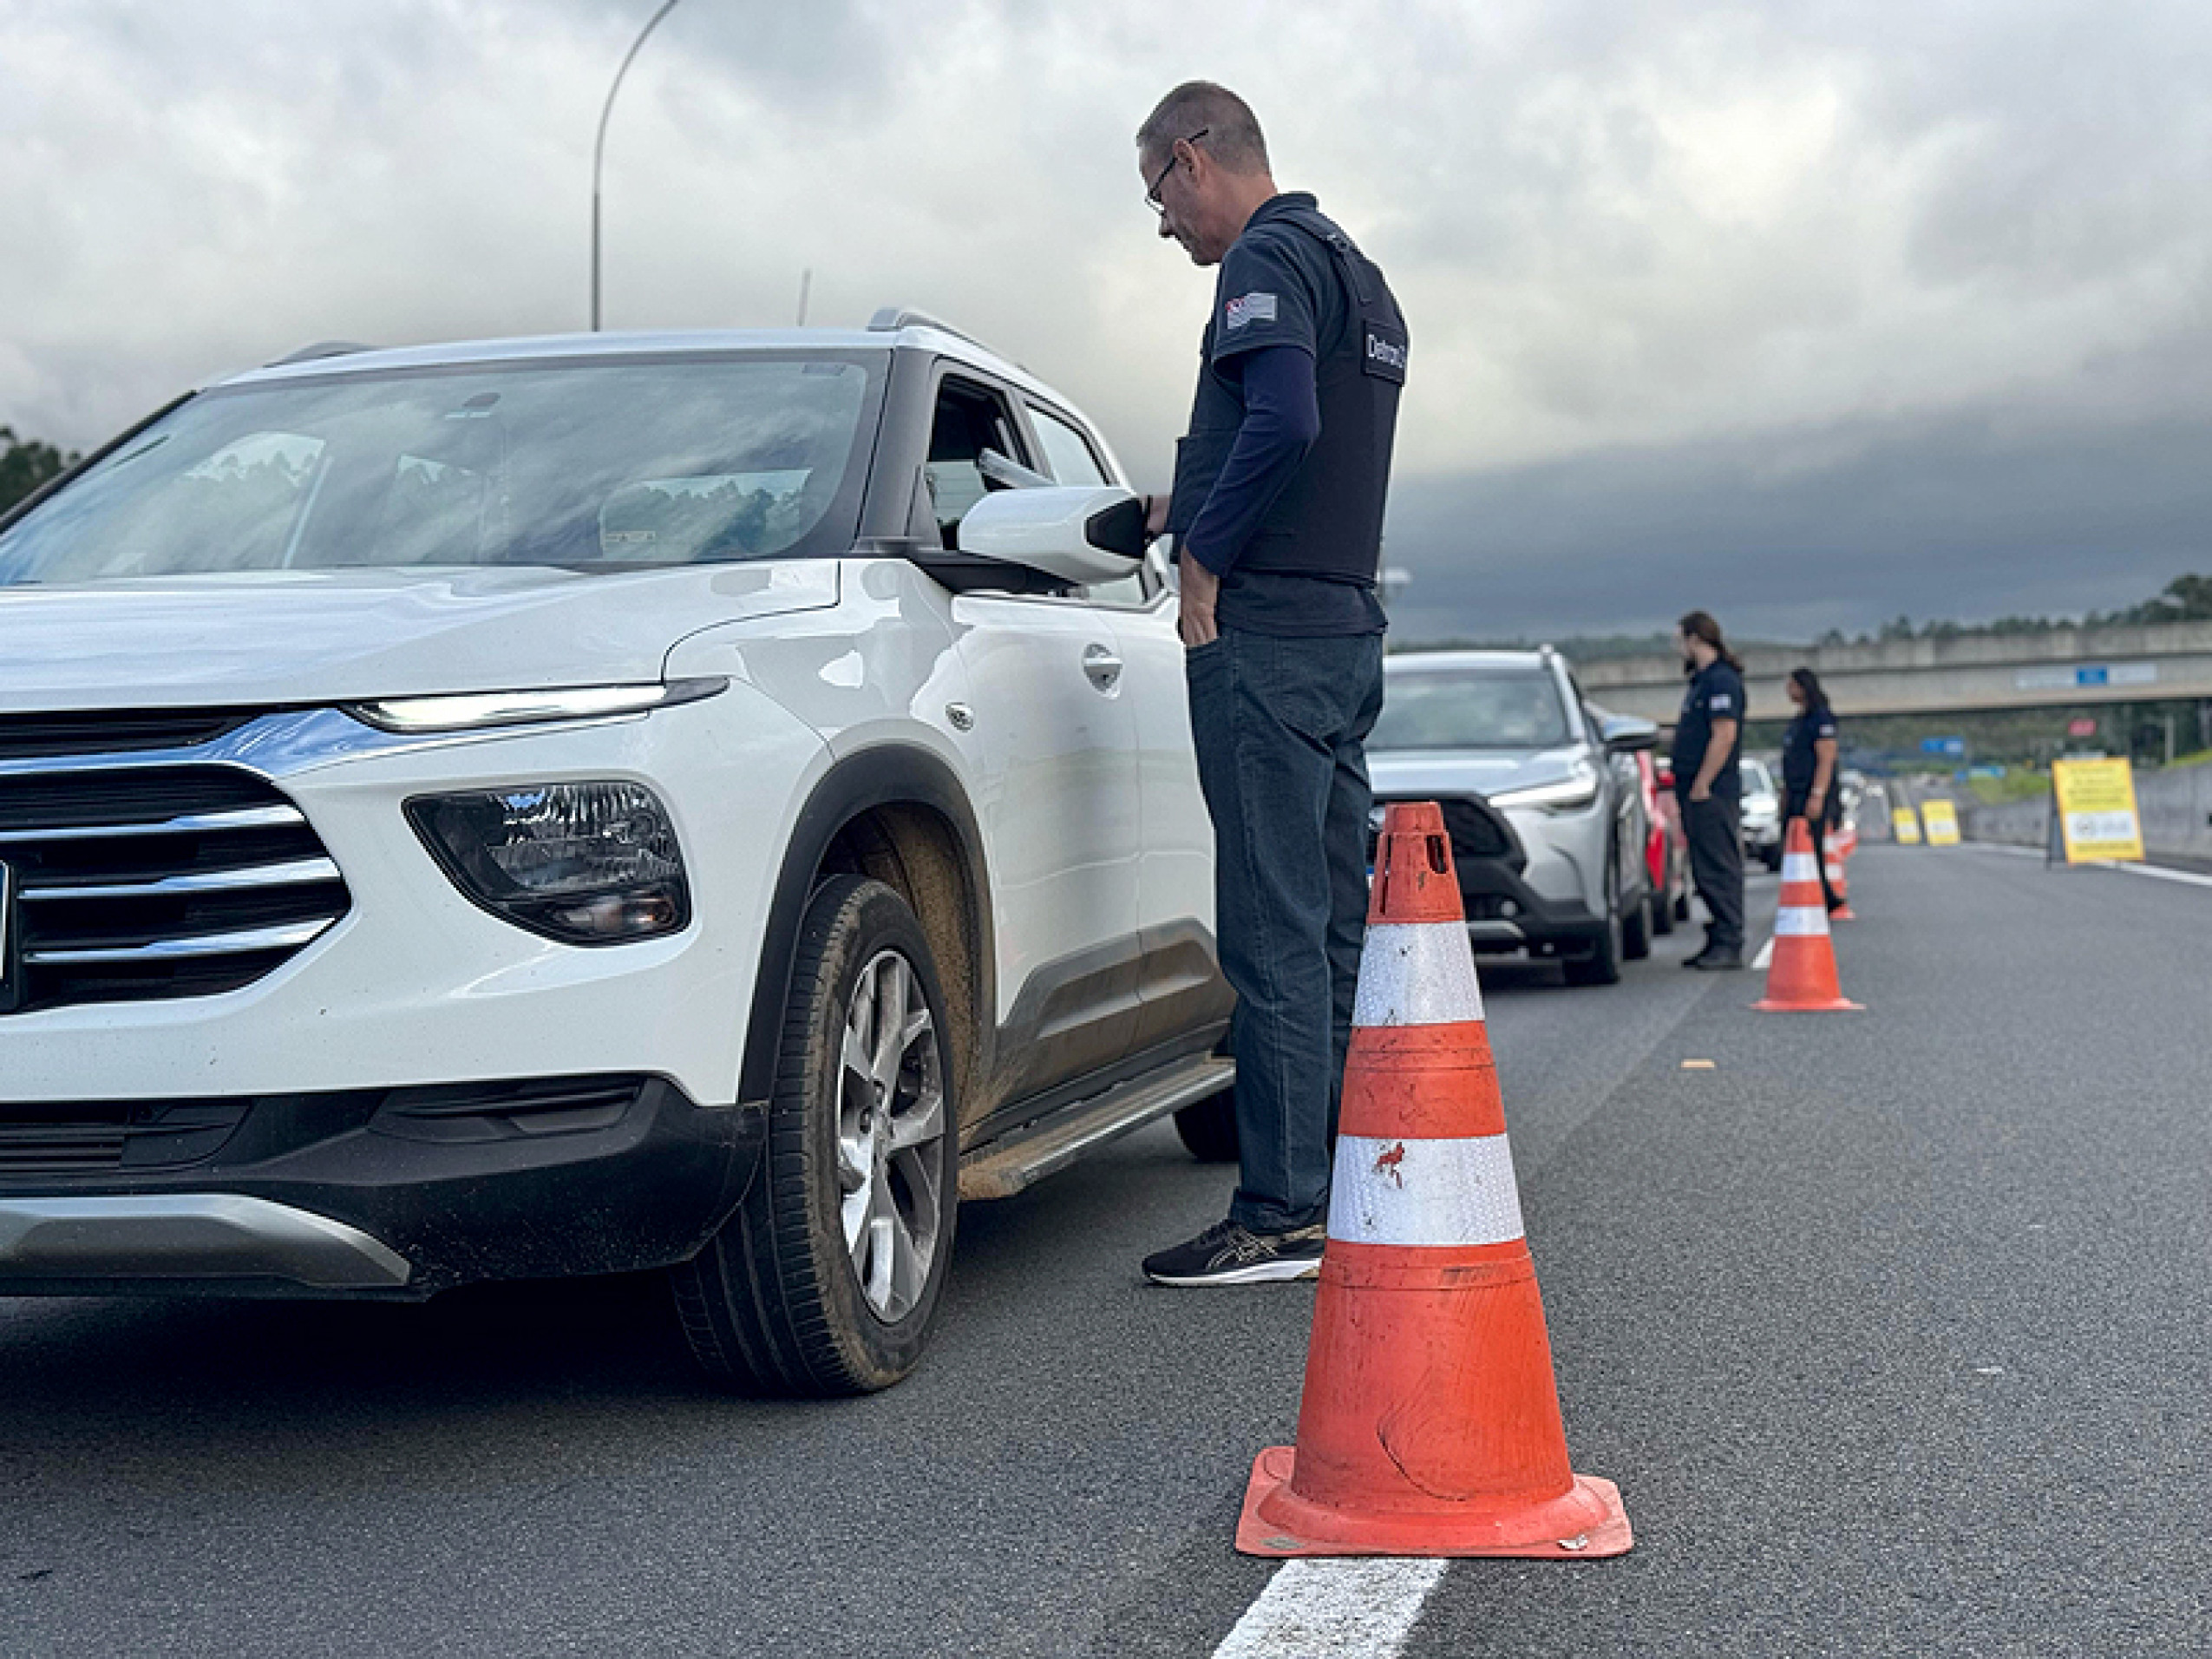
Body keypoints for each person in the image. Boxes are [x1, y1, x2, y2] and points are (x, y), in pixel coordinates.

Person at [1130, 82, 1409, 1287]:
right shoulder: (1358, 270)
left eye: (1156, 193)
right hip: (1343, 629)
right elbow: (1308, 439)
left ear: (1193, 157)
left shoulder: (1263, 262)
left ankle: (1281, 1212)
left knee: (1270, 927)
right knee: (1334, 925)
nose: (1161, 225)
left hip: (1271, 643)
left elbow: (1283, 419)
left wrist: (1202, 554)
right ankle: (1340, 1184)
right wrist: (1178, 504)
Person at [1672, 610, 1747, 970]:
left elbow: (1724, 735)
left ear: (1695, 639)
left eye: (1680, 640)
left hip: (1711, 791)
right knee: (1703, 868)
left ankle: (1730, 940)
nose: (1678, 648)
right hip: (1693, 789)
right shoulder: (1700, 682)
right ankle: (1716, 937)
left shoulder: (1721, 681)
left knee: (1719, 865)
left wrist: (1703, 781)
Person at [1782, 667, 1844, 913]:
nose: (1788, 691)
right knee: (1796, 847)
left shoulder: (1821, 718)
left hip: (1811, 792)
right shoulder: (1799, 720)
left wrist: (1817, 795)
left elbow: (1826, 758)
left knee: (1812, 846)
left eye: (1791, 685)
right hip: (1795, 791)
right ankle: (1815, 893)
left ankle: (1822, 895)